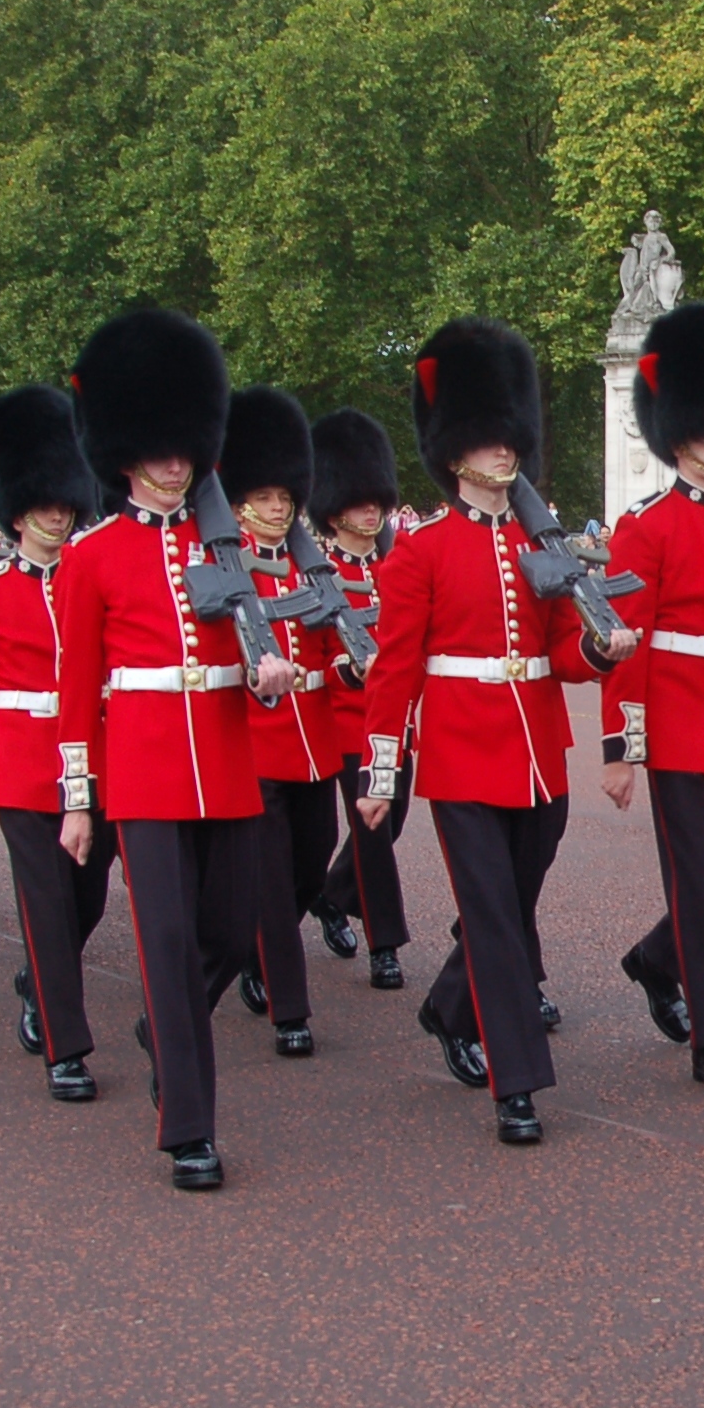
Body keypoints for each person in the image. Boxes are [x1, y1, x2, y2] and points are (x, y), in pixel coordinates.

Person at [357, 318, 638, 1148]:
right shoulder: (420, 555)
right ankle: (517, 1084)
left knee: (509, 907)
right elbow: (395, 670)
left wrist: (593, 646)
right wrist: (381, 773)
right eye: (486, 443)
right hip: (460, 753)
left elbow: (557, 650)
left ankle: (450, 1008)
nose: (503, 455)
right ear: (455, 455)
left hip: (536, 752)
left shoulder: (540, 543)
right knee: (492, 915)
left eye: (508, 440)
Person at [57, 310, 292, 1191]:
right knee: (163, 941)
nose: (174, 462)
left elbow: (260, 646)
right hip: (145, 772)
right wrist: (79, 800)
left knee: (229, 933)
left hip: (228, 760)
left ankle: (169, 1027)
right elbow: (78, 693)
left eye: (182, 446)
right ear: (126, 452)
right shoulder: (92, 558)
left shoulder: (226, 546)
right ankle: (189, 1127)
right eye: (158, 447)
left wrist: (269, 672)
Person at [0, 383, 114, 1099]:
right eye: (44, 504)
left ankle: (43, 973)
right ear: (17, 509)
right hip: (17, 762)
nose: (57, 514)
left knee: (88, 898)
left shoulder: (94, 578)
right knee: (44, 899)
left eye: (65, 503)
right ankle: (64, 1048)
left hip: (92, 758)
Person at [599, 299, 704, 1095]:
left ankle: (654, 961)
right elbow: (624, 646)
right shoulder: (646, 525)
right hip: (677, 729)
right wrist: (621, 750)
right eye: (702, 431)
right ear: (675, 433)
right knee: (702, 885)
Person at [221, 387, 347, 1060]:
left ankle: (251, 947)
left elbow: (328, 645)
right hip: (254, 743)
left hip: (314, 743)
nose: (277, 509)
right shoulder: (223, 563)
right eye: (264, 498)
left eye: (284, 498)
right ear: (240, 499)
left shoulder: (309, 562)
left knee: (308, 868)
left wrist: (353, 662)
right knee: (272, 879)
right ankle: (289, 1009)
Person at [311, 408, 412, 992]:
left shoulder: (401, 566)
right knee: (373, 831)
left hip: (400, 723)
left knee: (390, 820)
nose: (370, 509)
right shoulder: (320, 572)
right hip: (349, 722)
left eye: (376, 499)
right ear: (334, 507)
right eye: (357, 500)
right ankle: (385, 943)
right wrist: (350, 669)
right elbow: (314, 660)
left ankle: (333, 894)